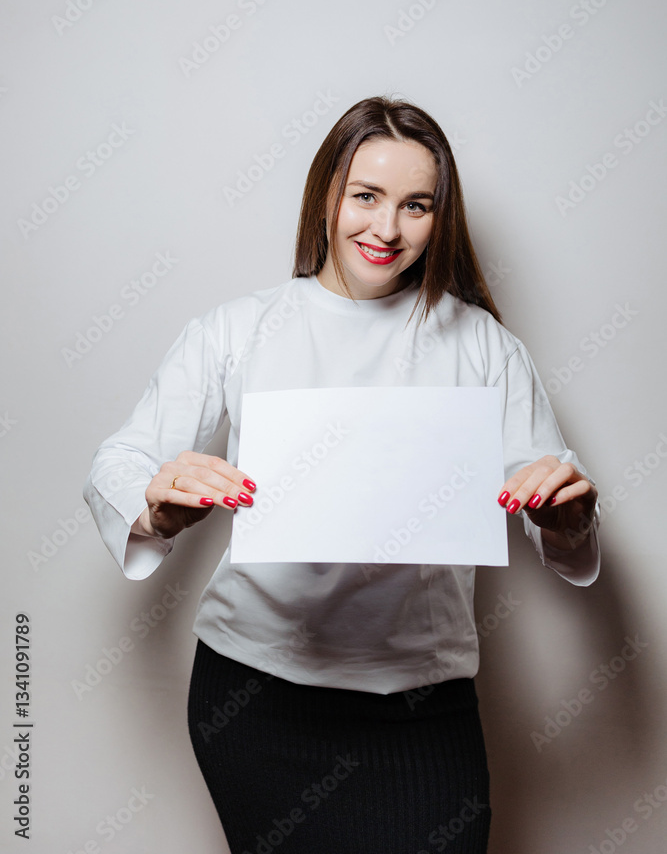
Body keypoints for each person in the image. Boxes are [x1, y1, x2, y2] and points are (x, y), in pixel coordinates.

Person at [83, 96, 601, 854]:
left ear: (441, 216)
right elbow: (120, 460)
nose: (386, 229)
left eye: (416, 205)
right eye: (365, 196)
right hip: (254, 697)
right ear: (326, 194)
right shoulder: (237, 329)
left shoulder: (483, 344)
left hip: (422, 702)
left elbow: (550, 490)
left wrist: (564, 513)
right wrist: (157, 508)